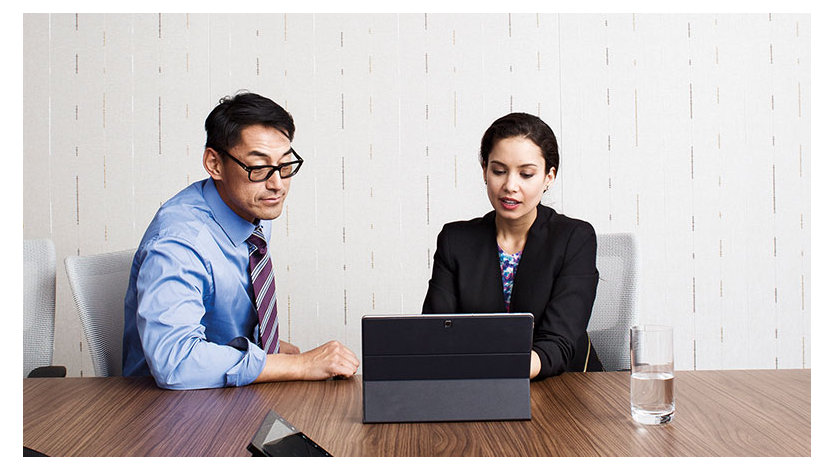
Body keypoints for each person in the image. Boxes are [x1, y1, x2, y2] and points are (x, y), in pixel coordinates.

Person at [122, 92, 359, 389]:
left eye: (285, 166)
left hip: (226, 397)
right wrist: (296, 364)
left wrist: (266, 351)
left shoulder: (249, 210)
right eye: (258, 168)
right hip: (164, 409)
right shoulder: (180, 243)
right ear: (214, 164)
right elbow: (176, 362)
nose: (276, 184)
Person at [422, 112, 603, 379]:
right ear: (484, 170)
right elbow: (436, 335)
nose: (510, 186)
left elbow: (558, 342)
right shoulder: (455, 241)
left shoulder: (575, 238)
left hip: (561, 389)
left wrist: (498, 368)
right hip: (476, 385)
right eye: (499, 171)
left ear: (549, 177)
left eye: (526, 174)